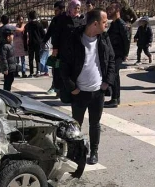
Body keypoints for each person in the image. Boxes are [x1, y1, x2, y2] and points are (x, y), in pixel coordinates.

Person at [60, 8, 115, 165]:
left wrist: (107, 82)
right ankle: (75, 151)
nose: (107, 24)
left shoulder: (104, 37)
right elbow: (63, 66)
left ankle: (94, 151)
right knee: (76, 125)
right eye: (104, 22)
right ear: (95, 24)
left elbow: (111, 60)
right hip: (79, 92)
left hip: (98, 91)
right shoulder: (74, 38)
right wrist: (72, 87)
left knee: (95, 124)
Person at [51, 0, 86, 97]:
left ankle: (74, 91)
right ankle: (61, 91)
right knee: (62, 71)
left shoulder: (81, 19)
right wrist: (55, 48)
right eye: (75, 8)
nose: (76, 10)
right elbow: (56, 34)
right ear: (70, 7)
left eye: (78, 8)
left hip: (77, 51)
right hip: (64, 50)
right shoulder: (63, 19)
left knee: (74, 72)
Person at [104, 2, 129, 108]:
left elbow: (126, 40)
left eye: (112, 8)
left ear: (117, 10)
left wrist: (125, 54)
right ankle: (116, 98)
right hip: (113, 53)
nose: (110, 10)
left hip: (118, 54)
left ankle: (114, 98)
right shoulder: (114, 23)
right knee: (115, 76)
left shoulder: (121, 24)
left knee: (113, 75)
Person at [44, 1, 66, 94]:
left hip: (65, 49)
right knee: (55, 68)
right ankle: (55, 86)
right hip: (56, 49)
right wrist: (43, 42)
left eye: (57, 10)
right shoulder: (55, 20)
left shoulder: (67, 19)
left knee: (63, 69)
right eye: (54, 10)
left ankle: (62, 89)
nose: (55, 12)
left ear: (62, 10)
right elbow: (49, 32)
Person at [23, 10, 45, 78]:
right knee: (37, 57)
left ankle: (31, 73)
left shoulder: (28, 25)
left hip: (31, 43)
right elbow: (43, 35)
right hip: (38, 43)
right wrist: (42, 42)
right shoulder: (39, 24)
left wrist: (25, 46)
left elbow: (24, 36)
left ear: (29, 17)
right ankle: (38, 71)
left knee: (31, 58)